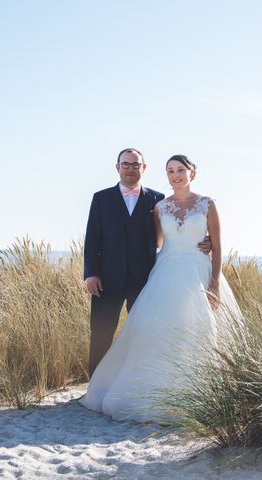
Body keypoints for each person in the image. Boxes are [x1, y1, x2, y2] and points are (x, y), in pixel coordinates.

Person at [80, 154, 242, 422]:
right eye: (170, 171)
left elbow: (218, 244)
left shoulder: (205, 204)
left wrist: (211, 263)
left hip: (195, 273)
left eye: (180, 170)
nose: (175, 175)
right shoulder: (159, 206)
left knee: (196, 329)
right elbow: (154, 241)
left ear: (192, 172)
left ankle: (200, 389)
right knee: (144, 330)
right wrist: (92, 272)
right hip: (161, 273)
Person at [83, 148, 210, 377]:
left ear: (143, 168)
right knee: (101, 333)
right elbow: (92, 238)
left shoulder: (158, 200)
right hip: (106, 279)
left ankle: (132, 380)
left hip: (145, 280)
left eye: (135, 164)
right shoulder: (101, 198)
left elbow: (170, 234)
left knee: (142, 334)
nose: (131, 169)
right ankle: (94, 384)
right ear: (117, 167)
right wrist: (91, 273)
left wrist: (202, 241)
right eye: (126, 164)